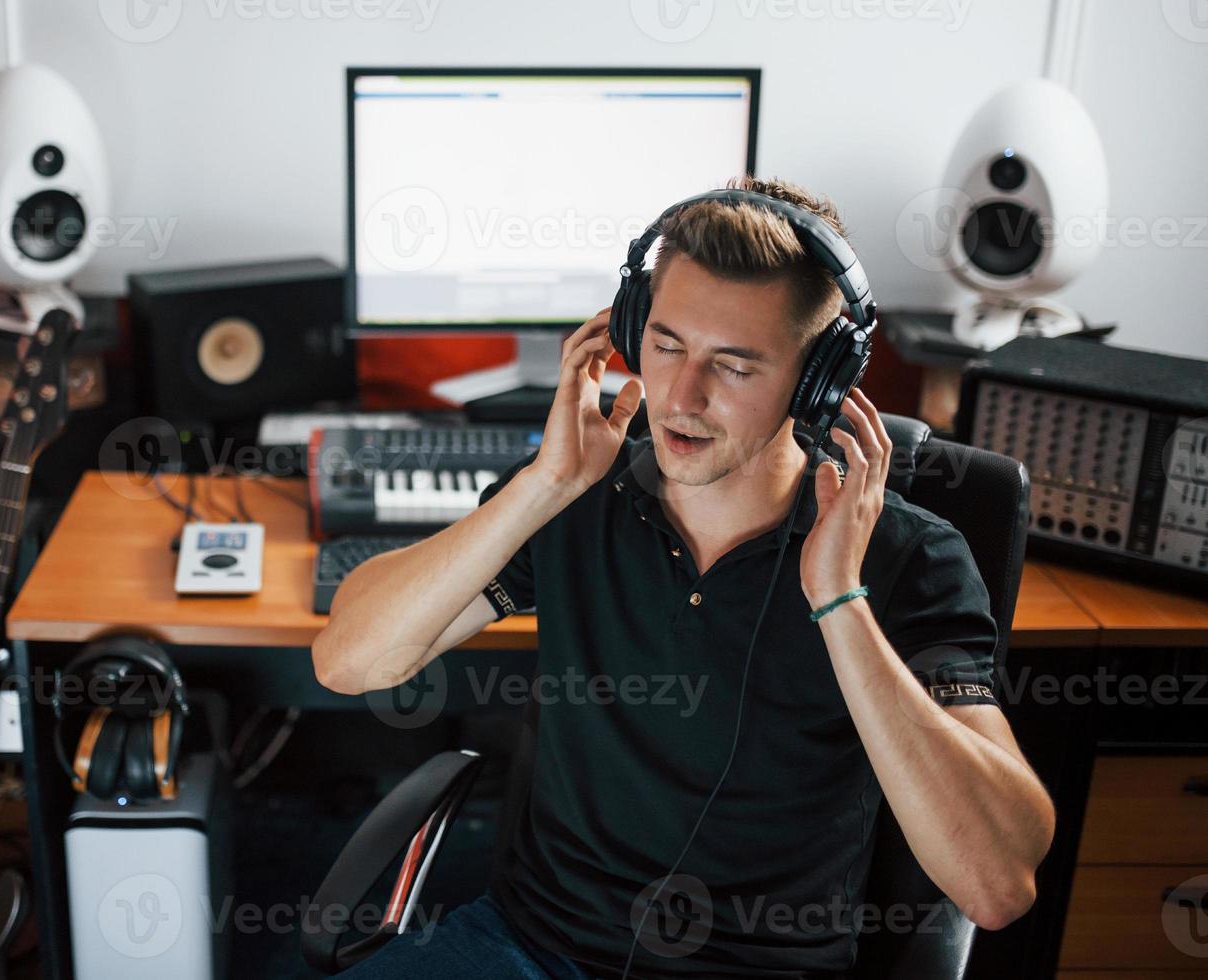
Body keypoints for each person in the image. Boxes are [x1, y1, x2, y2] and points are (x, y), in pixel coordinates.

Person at [311, 176, 1055, 979]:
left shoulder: (910, 559)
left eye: (734, 367)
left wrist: (840, 600)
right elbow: (351, 662)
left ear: (820, 382)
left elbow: (995, 885)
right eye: (665, 345)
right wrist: (542, 489)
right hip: (527, 949)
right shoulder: (573, 501)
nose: (681, 396)